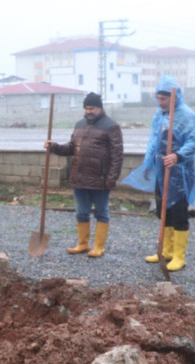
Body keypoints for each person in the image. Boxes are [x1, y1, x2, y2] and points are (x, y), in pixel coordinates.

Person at [125, 76, 195, 271]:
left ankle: (179, 256)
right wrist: (148, 162)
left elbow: (194, 142)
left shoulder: (187, 116)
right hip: (161, 170)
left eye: (164, 99)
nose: (161, 102)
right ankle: (165, 251)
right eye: (158, 98)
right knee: (163, 211)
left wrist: (178, 156)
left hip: (180, 173)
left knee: (178, 213)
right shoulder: (158, 115)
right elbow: (153, 140)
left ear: (174, 97)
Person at [44, 92, 123, 258]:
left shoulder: (111, 126)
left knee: (101, 213)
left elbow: (117, 156)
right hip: (79, 178)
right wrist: (54, 147)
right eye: (86, 108)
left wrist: (111, 178)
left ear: (100, 108)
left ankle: (99, 247)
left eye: (91, 108)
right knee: (81, 212)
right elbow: (71, 148)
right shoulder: (79, 125)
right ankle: (83, 243)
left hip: (100, 179)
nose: (88, 111)